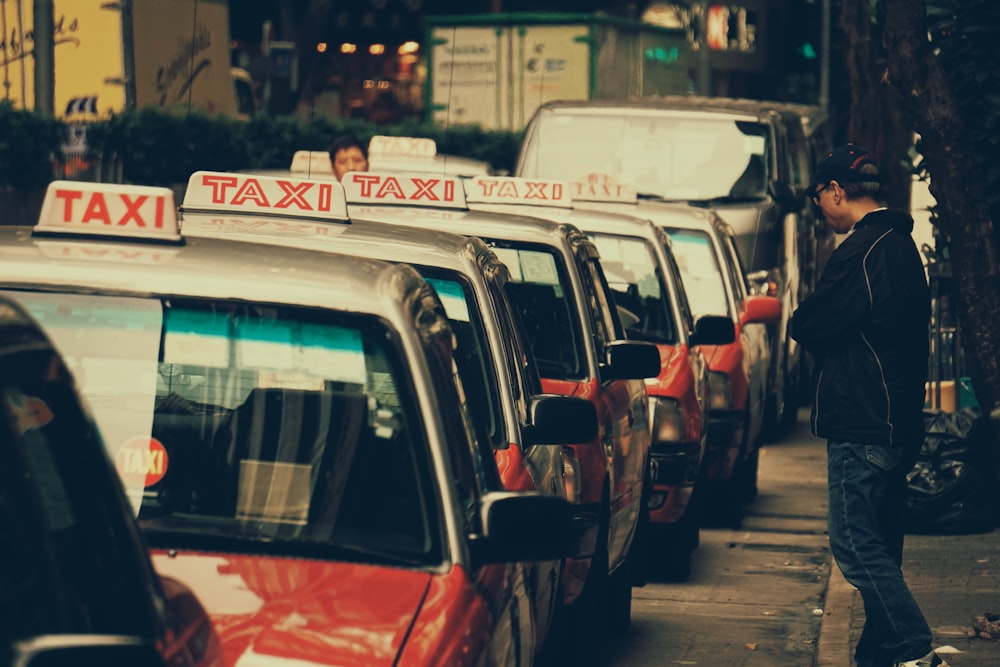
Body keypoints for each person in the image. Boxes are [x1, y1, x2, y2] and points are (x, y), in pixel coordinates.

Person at [790, 144, 945, 667]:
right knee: (881, 548)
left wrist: (808, 326)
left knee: (856, 544)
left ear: (837, 191)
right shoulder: (899, 246)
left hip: (864, 423)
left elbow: (812, 322)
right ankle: (879, 653)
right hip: (896, 423)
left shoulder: (865, 249)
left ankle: (914, 648)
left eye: (819, 198)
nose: (820, 209)